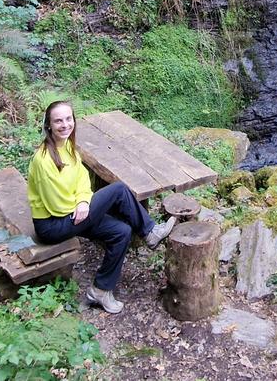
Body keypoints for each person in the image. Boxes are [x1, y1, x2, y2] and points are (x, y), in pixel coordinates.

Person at [27, 100, 175, 314]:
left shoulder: (68, 147)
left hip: (73, 212)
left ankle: (100, 290)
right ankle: (150, 232)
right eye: (58, 121)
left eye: (68, 119)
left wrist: (84, 200)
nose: (65, 124)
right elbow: (56, 205)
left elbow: (82, 180)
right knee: (118, 190)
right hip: (53, 224)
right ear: (48, 125)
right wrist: (84, 203)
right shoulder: (43, 159)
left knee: (121, 231)